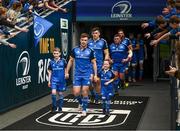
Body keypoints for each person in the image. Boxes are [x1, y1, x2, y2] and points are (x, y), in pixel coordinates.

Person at [66, 33, 97, 116]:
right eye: (82, 40)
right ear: (80, 40)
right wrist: (67, 71)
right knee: (76, 93)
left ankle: (84, 109)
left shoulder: (90, 51)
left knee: (84, 91)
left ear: (87, 41)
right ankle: (81, 103)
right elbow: (71, 61)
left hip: (87, 74)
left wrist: (95, 74)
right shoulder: (75, 50)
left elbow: (94, 63)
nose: (84, 41)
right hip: (77, 74)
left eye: (85, 40)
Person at [88, 27, 109, 104]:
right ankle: (93, 94)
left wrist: (105, 63)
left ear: (99, 34)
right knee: (89, 81)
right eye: (93, 33)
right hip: (90, 64)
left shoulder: (103, 41)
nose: (94, 34)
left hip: (99, 64)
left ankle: (97, 98)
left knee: (97, 82)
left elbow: (106, 53)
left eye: (96, 33)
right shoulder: (88, 41)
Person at [48, 47, 67, 113]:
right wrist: (49, 81)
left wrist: (66, 74)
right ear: (53, 54)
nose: (55, 55)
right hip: (54, 80)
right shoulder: (51, 62)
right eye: (54, 53)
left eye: (57, 53)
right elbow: (50, 71)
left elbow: (65, 69)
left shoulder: (63, 61)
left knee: (60, 93)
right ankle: (54, 106)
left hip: (61, 80)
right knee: (53, 92)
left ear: (60, 54)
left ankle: (60, 107)